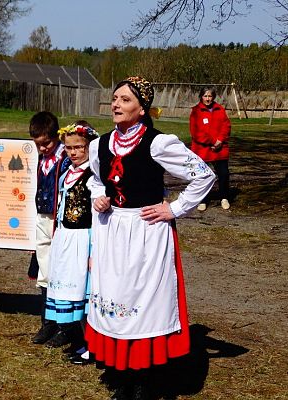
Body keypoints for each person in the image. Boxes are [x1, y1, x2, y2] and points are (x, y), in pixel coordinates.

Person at [86, 77, 216, 400]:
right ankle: (123, 374)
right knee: (116, 300)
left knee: (141, 304)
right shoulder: (99, 145)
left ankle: (143, 380)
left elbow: (204, 175)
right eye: (114, 98)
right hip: (111, 231)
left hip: (145, 232)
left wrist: (173, 208)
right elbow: (96, 180)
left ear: (142, 109)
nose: (116, 104)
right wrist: (99, 196)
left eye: (125, 100)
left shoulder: (158, 143)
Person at [45, 121, 99, 360]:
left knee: (84, 295)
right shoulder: (67, 173)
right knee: (69, 292)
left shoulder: (94, 175)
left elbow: (99, 215)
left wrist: (94, 250)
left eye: (79, 147)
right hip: (65, 237)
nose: (74, 152)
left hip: (83, 238)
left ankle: (93, 346)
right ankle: (82, 340)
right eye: (68, 148)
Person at [29, 111, 71, 345]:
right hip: (42, 219)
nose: (43, 148)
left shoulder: (66, 158)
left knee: (61, 272)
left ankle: (65, 326)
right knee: (44, 272)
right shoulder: (40, 160)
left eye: (47, 143)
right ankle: (47, 322)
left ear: (57, 137)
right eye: (38, 145)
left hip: (60, 221)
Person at [189, 87, 232, 211]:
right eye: (205, 96)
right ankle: (203, 200)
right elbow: (196, 132)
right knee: (202, 176)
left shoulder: (220, 109)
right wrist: (213, 141)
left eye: (210, 96)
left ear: (213, 97)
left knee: (223, 174)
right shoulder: (196, 111)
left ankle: (224, 197)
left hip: (220, 149)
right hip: (203, 150)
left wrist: (220, 140)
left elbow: (226, 126)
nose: (208, 99)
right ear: (201, 97)